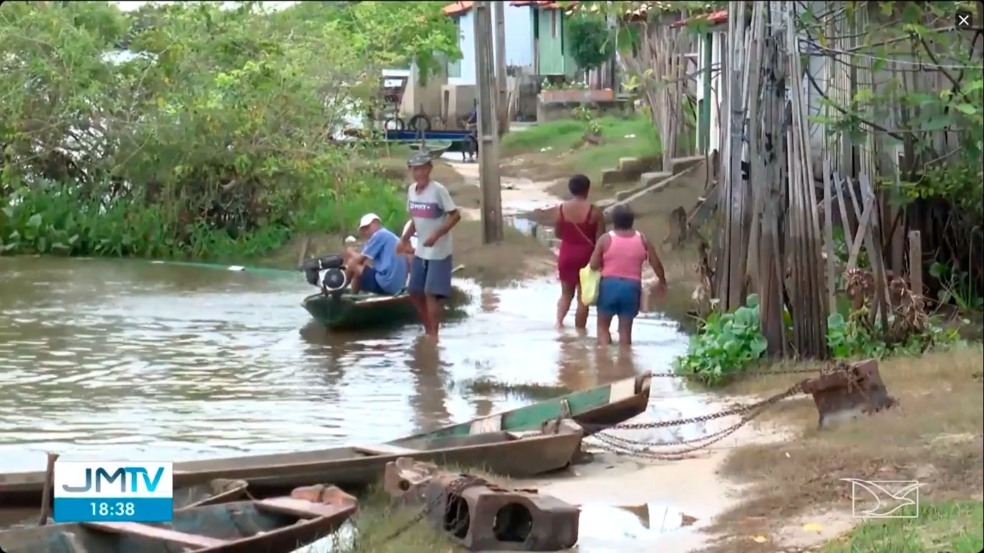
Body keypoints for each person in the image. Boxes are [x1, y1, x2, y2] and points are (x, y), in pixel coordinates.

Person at [399, 152, 461, 339]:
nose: (419, 173)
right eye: (415, 169)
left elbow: (455, 215)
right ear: (411, 171)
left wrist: (437, 234)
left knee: (430, 293)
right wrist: (405, 238)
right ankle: (428, 330)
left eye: (423, 169)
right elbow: (414, 219)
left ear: (429, 169)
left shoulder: (438, 190)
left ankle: (434, 334)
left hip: (439, 251)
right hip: (421, 249)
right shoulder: (411, 191)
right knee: (414, 292)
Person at [588, 205, 667, 347]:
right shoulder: (642, 239)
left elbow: (593, 265)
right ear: (632, 221)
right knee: (625, 332)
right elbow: (656, 263)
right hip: (632, 288)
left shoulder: (605, 239)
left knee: (602, 327)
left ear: (613, 221)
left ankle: (604, 361)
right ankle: (625, 363)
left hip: (609, 287)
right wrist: (662, 282)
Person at [554, 174, 605, 329]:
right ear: (587, 189)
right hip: (587, 257)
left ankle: (558, 324)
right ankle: (580, 332)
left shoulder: (561, 209)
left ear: (571, 189)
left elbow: (557, 233)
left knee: (565, 294)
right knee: (583, 298)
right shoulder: (595, 212)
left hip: (566, 254)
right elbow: (601, 239)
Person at [341, 213, 407, 296]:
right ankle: (352, 293)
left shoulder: (380, 234)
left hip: (386, 283)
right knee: (361, 268)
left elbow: (359, 259)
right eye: (364, 229)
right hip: (396, 286)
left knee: (352, 263)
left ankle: (341, 289)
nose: (366, 231)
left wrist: (350, 251)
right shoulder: (392, 237)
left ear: (376, 223)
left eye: (368, 227)